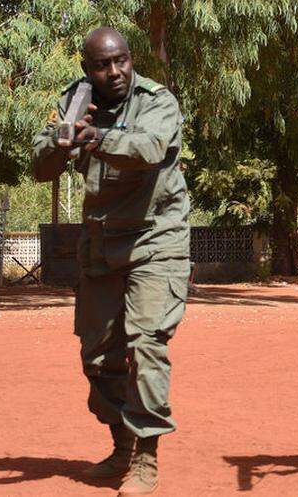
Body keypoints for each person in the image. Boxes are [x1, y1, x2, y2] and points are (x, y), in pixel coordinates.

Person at [32, 27, 190, 497]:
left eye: (120, 60)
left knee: (145, 344)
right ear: (88, 69)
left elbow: (148, 150)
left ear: (130, 59)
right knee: (98, 356)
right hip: (101, 242)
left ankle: (146, 455)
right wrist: (61, 141)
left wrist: (96, 137)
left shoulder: (157, 100)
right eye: (102, 65)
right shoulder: (73, 103)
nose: (114, 72)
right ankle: (121, 444)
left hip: (154, 238)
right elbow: (40, 169)